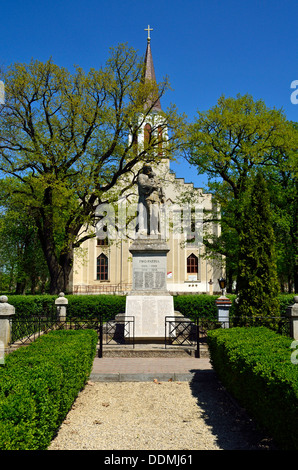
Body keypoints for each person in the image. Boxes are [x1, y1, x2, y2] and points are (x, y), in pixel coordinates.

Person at [137, 164, 165, 236]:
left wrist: (163, 196)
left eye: (150, 169)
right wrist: (152, 186)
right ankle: (148, 230)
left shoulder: (156, 180)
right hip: (146, 198)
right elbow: (142, 185)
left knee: (155, 214)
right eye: (147, 169)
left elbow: (161, 188)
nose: (148, 171)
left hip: (154, 198)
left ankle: (155, 229)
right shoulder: (142, 176)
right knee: (147, 214)